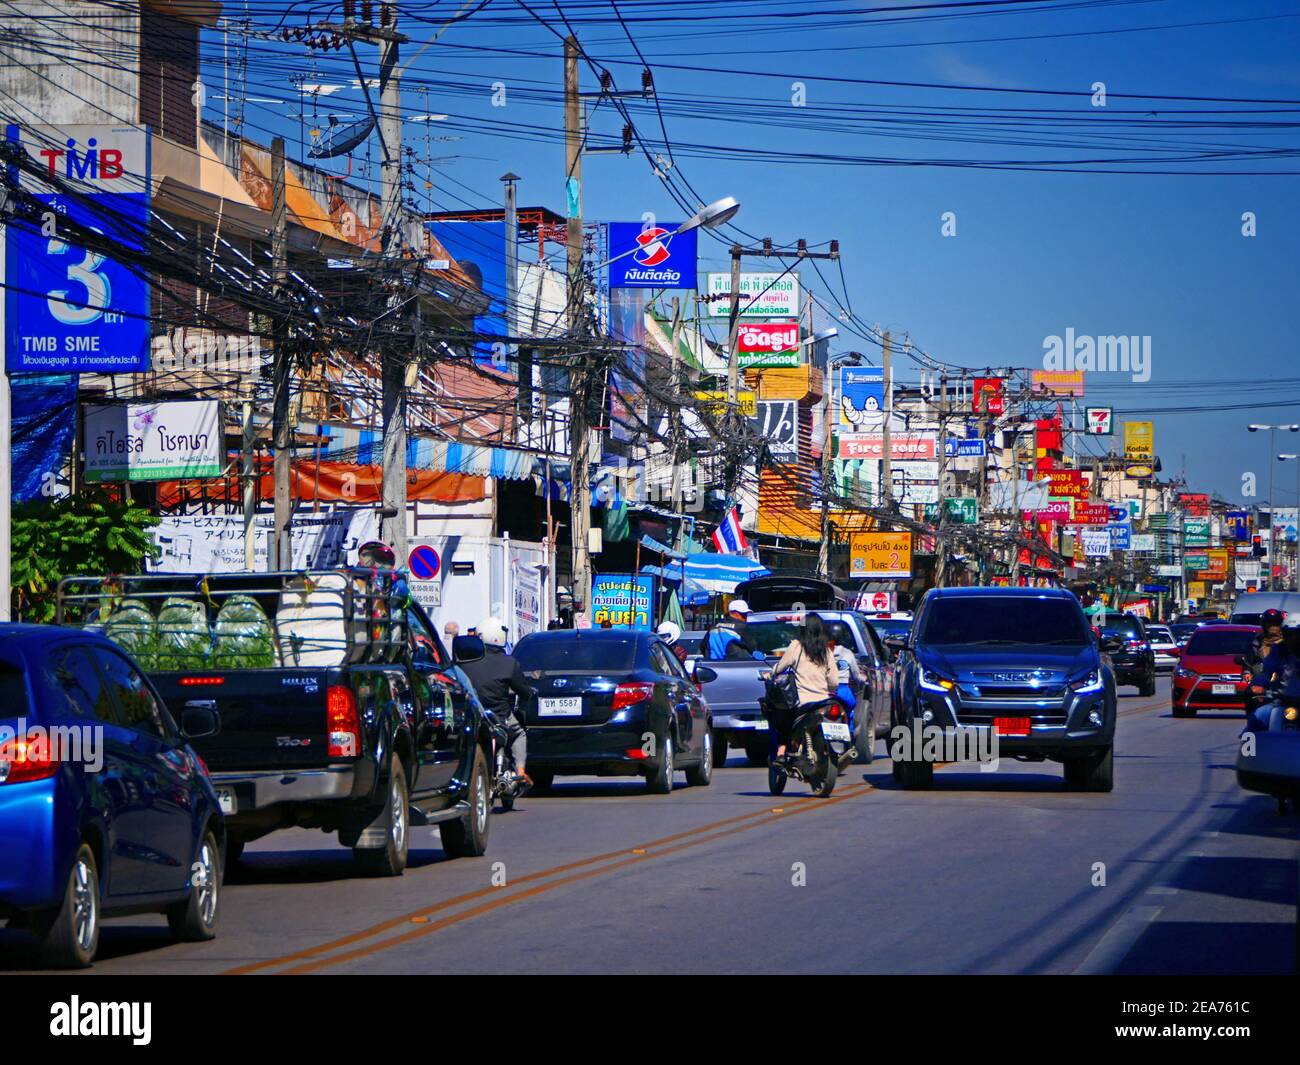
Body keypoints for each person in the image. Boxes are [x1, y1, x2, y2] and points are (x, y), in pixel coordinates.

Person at [458, 617, 535, 786]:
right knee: (519, 733)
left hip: (474, 716)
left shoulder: (465, 661)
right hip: (501, 717)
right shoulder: (509, 663)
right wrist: (529, 694)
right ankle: (520, 771)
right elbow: (523, 690)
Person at [769, 614, 839, 763]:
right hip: (824, 702)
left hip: (802, 703)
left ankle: (781, 753)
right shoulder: (826, 651)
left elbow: (780, 667)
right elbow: (833, 681)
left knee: (784, 722)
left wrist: (771, 673)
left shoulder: (797, 646)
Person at [1249, 612, 1300, 731]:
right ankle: (1250, 749)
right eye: (1289, 634)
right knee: (1257, 717)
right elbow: (1267, 668)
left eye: (1297, 635)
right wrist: (1259, 684)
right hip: (1282, 702)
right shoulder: (1279, 650)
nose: (1293, 639)